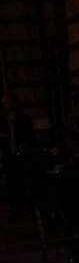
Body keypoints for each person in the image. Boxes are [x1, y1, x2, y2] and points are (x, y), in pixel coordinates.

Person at [0, 93, 36, 221]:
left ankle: (33, 212)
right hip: (9, 157)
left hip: (23, 157)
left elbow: (31, 136)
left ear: (13, 104)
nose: (3, 105)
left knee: (27, 184)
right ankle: (17, 213)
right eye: (2, 103)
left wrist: (25, 144)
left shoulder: (24, 119)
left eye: (6, 103)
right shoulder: (1, 121)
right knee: (12, 187)